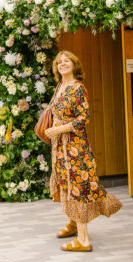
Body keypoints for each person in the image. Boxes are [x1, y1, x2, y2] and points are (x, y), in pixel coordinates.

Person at [46, 50, 122, 251]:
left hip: (75, 147)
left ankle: (83, 240)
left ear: (75, 64)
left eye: (67, 61)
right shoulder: (60, 87)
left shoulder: (78, 88)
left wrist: (58, 129)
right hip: (59, 147)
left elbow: (83, 119)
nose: (62, 64)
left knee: (77, 187)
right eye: (59, 62)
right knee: (65, 184)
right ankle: (73, 224)